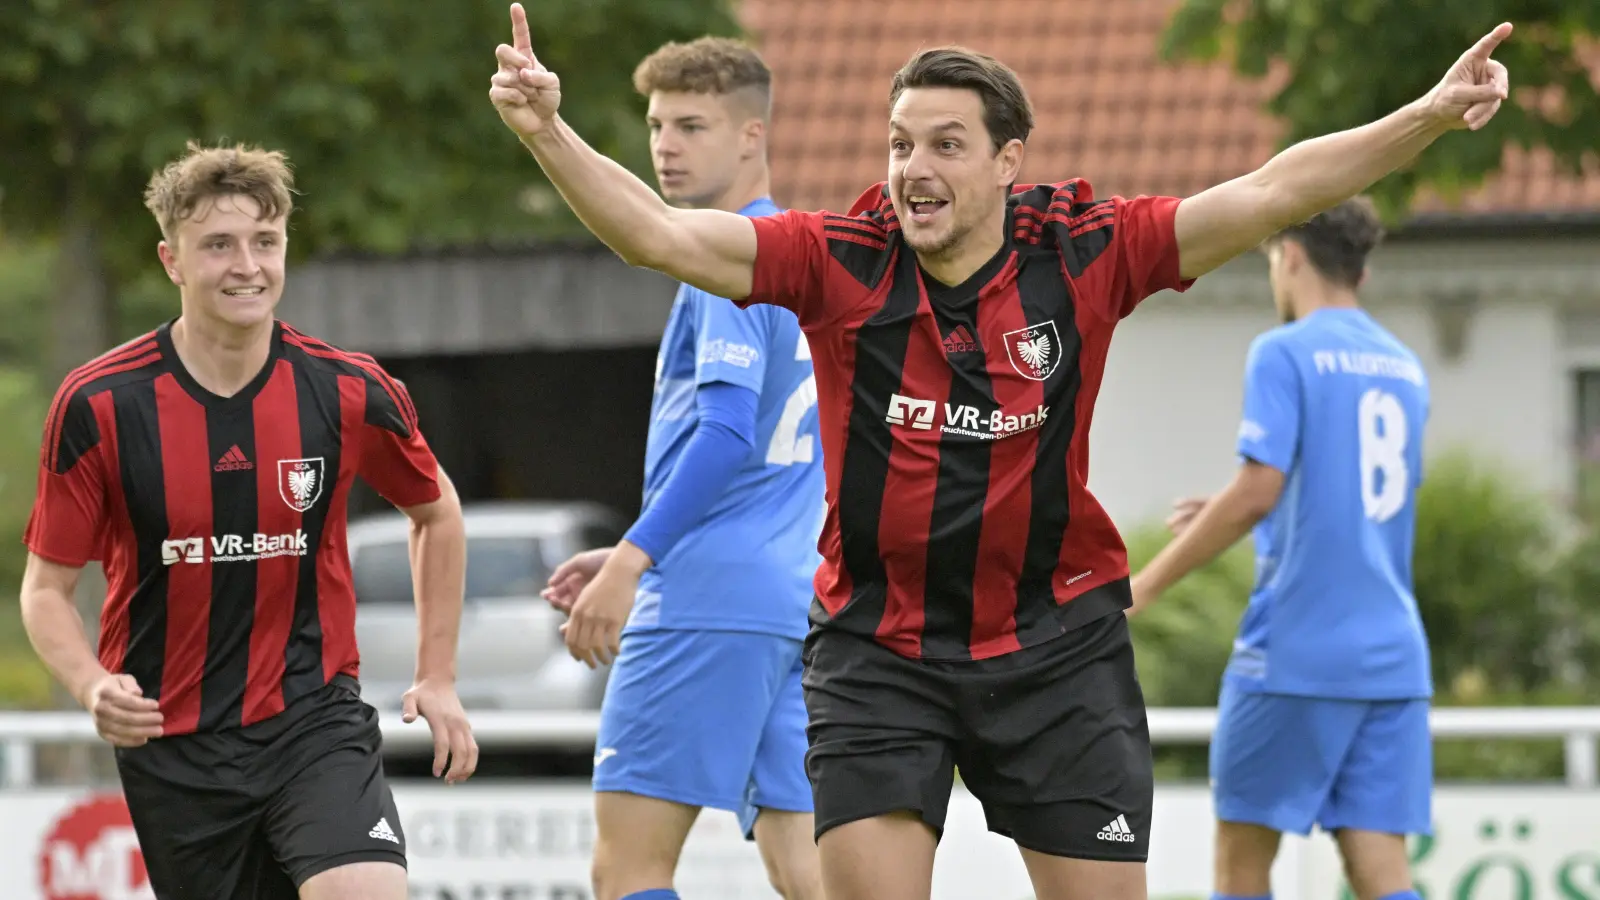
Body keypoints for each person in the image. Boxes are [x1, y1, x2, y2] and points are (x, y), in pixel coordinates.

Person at [487, 3, 1508, 896]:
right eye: (900, 145)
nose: (914, 170)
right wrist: (546, 132)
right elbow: (658, 237)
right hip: (878, 649)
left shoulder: (1086, 249)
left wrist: (1425, 116)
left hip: (1056, 647)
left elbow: (1272, 192)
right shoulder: (839, 259)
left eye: (945, 145)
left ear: (1007, 161)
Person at [19, 141, 478, 900]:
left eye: (266, 241)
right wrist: (92, 684)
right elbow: (45, 590)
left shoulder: (347, 389)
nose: (247, 266)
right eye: (219, 245)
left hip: (313, 717)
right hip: (174, 745)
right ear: (171, 260)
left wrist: (437, 676)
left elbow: (437, 512)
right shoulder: (99, 405)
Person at [538, 37, 825, 900]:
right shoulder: (800, 258)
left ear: (752, 135)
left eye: (691, 126)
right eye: (658, 125)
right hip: (796, 602)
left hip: (706, 598)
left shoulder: (721, 261)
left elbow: (728, 434)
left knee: (627, 868)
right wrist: (640, 539)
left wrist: (634, 560)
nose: (665, 146)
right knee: (810, 874)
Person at [1128, 199, 1432, 900]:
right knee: (1383, 872)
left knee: (1241, 867)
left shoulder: (1283, 351)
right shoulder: (1404, 367)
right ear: (1359, 270)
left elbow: (1258, 490)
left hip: (1296, 653)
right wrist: (1236, 505)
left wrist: (1143, 585)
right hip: (1392, 658)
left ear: (1289, 256)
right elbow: (1353, 499)